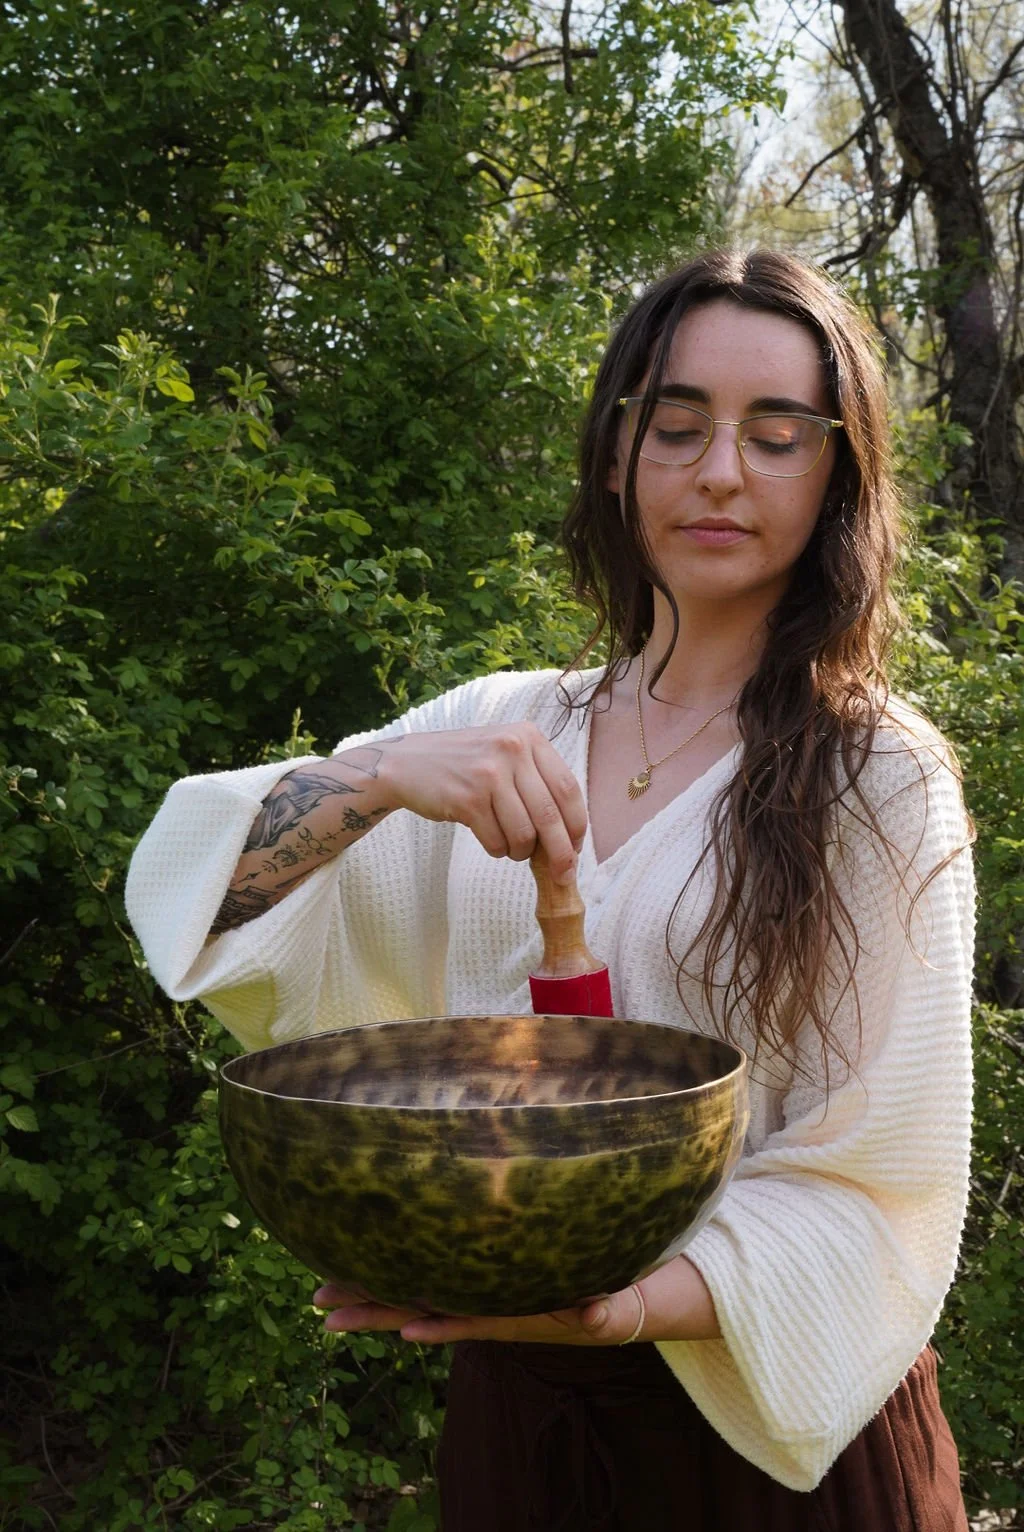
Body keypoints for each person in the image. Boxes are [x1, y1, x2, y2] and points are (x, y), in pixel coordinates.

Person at [126, 248, 975, 1530]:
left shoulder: (874, 773)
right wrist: (377, 779)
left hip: (770, 1427)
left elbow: (880, 1175)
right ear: (617, 454)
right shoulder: (500, 725)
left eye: (775, 435)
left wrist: (622, 1308)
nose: (720, 471)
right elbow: (201, 902)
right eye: (676, 426)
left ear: (836, 473)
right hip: (522, 1426)